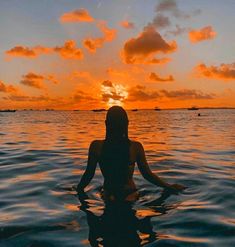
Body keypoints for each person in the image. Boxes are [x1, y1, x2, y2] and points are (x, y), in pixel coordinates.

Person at [76, 106, 185, 202]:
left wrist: (78, 190)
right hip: (130, 194)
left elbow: (89, 174)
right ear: (127, 124)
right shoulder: (135, 147)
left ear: (106, 124)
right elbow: (147, 175)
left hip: (109, 194)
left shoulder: (96, 146)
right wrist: (168, 186)